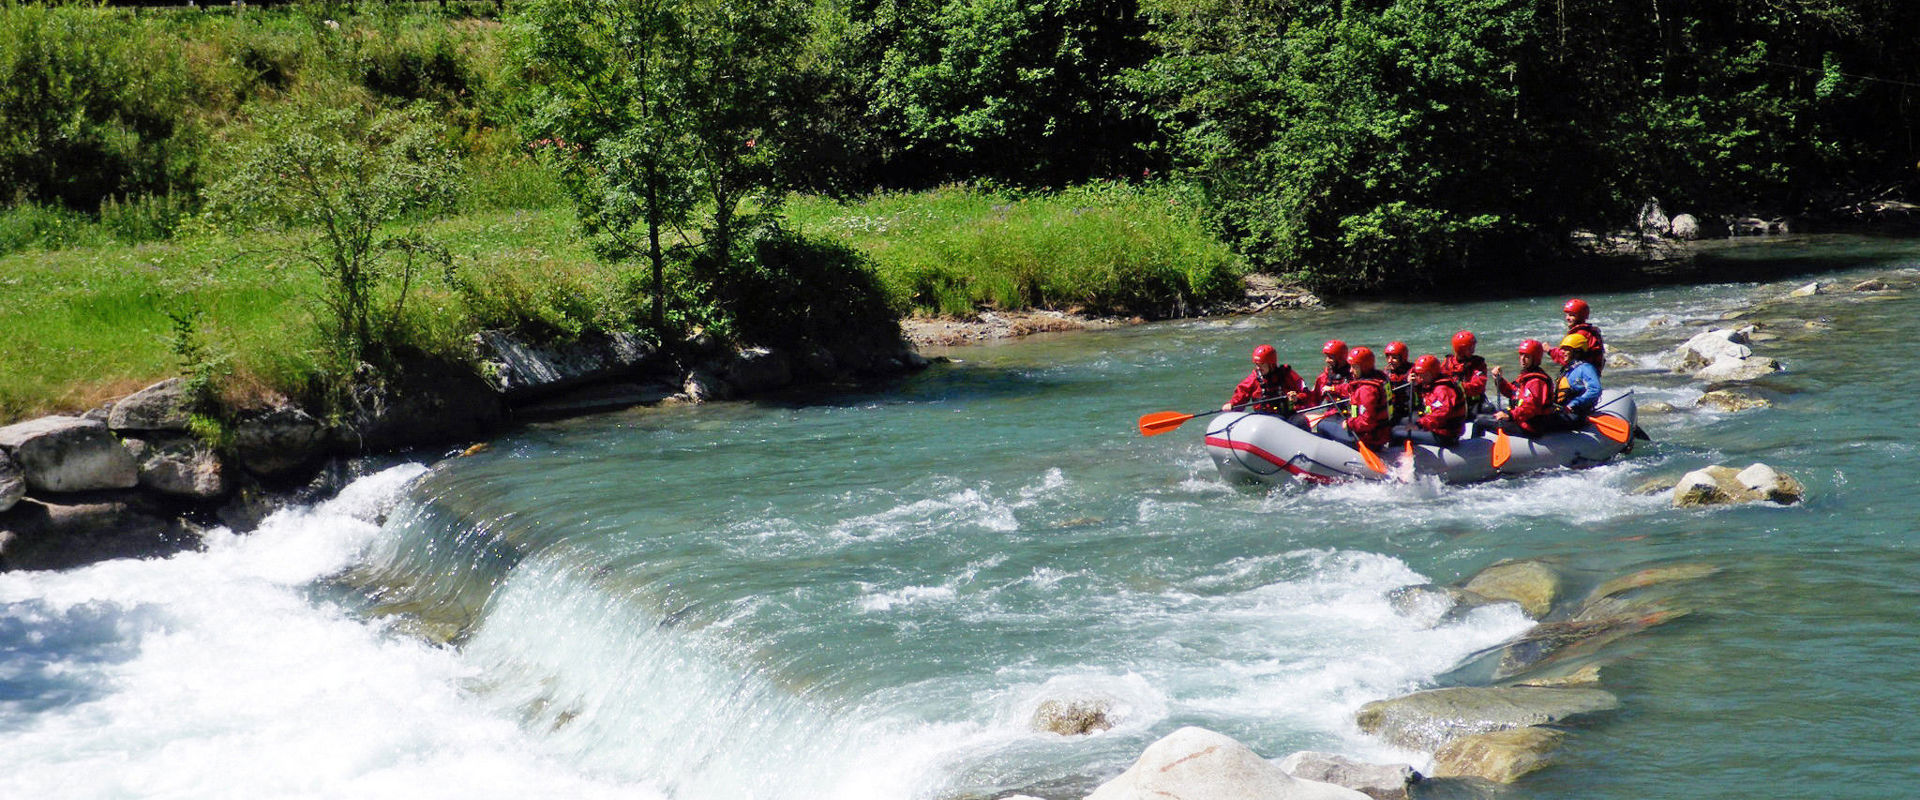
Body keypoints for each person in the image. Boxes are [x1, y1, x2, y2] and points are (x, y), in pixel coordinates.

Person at [1317, 346, 1392, 449]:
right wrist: (1333, 388)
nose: (1351, 370)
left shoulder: (1367, 390)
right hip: (1380, 433)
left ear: (1364, 367)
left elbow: (1366, 422)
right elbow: (1351, 388)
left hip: (1368, 438)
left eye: (1354, 367)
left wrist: (1349, 423)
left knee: (1322, 425)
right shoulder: (1379, 377)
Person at [1489, 339, 1566, 436]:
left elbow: (1531, 407)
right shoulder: (1526, 375)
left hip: (1530, 426)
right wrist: (1499, 380)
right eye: (1521, 355)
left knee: (1480, 422)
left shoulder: (1536, 381)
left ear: (1535, 358)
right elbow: (1513, 393)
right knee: (1486, 416)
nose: (1522, 358)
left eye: (1527, 356)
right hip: (1522, 420)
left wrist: (1510, 415)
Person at [1397, 354, 1467, 446]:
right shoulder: (1430, 383)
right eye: (1418, 374)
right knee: (1400, 422)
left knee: (1396, 433)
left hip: (1445, 436)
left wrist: (1419, 425)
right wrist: (1413, 384)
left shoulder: (1442, 389)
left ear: (1432, 373)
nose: (1420, 378)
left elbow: (1441, 414)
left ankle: (1398, 458)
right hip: (1435, 428)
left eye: (1423, 374)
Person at [1223, 344, 1306, 415]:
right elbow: (1241, 394)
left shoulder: (1287, 375)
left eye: (1262, 364)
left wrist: (1297, 398)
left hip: (1288, 415)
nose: (1258, 368)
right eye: (1256, 364)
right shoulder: (1253, 379)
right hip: (1264, 419)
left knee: (1301, 422)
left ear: (1271, 364)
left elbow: (1306, 394)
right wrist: (1231, 404)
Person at [1553, 332, 1604, 419]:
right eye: (1562, 349)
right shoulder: (1567, 369)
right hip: (1562, 410)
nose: (1562, 352)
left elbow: (1595, 389)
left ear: (1577, 351)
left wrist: (1574, 404)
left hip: (1576, 413)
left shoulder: (1586, 368)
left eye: (1567, 349)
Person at [1441, 330, 1491, 415]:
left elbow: (1478, 386)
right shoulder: (1447, 363)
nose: (1473, 350)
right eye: (1470, 348)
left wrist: (1457, 386)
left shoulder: (1478, 363)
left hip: (1473, 404)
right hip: (1454, 403)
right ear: (1461, 349)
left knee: (1488, 409)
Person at [1559, 298, 1607, 375]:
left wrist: (1549, 350)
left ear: (1580, 316)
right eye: (1567, 314)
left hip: (1581, 375)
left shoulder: (1579, 335)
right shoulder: (1589, 331)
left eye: (1571, 315)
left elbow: (1564, 357)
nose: (1567, 318)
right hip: (1590, 373)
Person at [1306, 340, 1353, 407]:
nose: (1327, 360)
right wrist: (1297, 399)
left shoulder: (1355, 374)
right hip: (1332, 413)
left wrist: (1333, 389)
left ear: (1341, 358)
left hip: (1353, 414)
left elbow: (1358, 391)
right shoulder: (1324, 377)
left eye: (1330, 357)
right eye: (1326, 357)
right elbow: (1314, 401)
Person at [1383, 341, 1413, 423]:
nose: (1390, 361)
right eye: (1388, 357)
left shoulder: (1412, 372)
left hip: (1410, 410)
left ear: (1403, 358)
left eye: (1394, 358)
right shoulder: (1386, 373)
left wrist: (1414, 382)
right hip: (1394, 410)